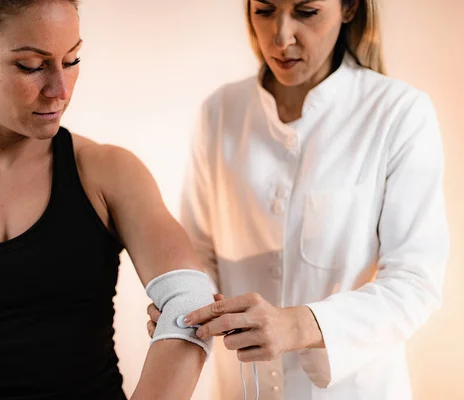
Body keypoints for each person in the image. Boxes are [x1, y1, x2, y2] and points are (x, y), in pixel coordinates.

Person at [0, 1, 214, 399]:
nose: (60, 90)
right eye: (32, 65)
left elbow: (191, 305)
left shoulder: (107, 172)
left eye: (72, 59)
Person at [148, 0, 449, 399]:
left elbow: (415, 282)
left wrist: (298, 325)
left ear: (349, 8)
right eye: (265, 10)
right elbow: (198, 251)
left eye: (306, 12)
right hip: (242, 388)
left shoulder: (398, 112)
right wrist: (185, 306)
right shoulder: (219, 112)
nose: (281, 36)